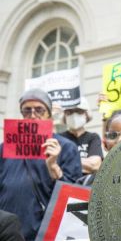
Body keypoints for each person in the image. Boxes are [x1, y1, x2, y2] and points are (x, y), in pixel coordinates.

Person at [0, 89, 82, 240]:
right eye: (26, 110)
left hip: (41, 232)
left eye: (39, 110)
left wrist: (54, 168)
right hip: (7, 231)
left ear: (49, 114)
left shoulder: (66, 147)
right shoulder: (5, 147)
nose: (32, 115)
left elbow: (74, 200)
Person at [60, 97, 103, 184]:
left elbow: (95, 165)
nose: (74, 115)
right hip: (65, 184)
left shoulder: (93, 137)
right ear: (64, 115)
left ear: (86, 114)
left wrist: (66, 161)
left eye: (79, 111)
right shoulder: (59, 138)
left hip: (87, 185)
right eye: (69, 112)